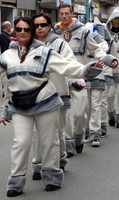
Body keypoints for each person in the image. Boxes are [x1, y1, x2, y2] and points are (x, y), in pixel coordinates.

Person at [0, 16, 105, 197]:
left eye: (27, 29)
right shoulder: (6, 56)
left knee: (49, 141)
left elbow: (67, 66)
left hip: (46, 102)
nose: (23, 32)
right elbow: (6, 85)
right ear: (15, 31)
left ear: (32, 32)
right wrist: (6, 110)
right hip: (20, 106)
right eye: (19, 29)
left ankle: (52, 176)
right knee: (21, 142)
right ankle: (16, 181)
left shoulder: (44, 52)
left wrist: (87, 69)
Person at [55, 3, 118, 148]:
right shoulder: (55, 33)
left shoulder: (83, 32)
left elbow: (97, 50)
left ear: (72, 14)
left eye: (66, 13)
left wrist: (108, 59)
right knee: (65, 114)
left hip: (79, 78)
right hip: (61, 79)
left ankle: (78, 135)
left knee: (79, 114)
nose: (64, 16)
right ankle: (68, 144)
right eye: (62, 14)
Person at [31, 12, 81, 180]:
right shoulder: (29, 44)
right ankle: (38, 165)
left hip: (58, 92)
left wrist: (74, 80)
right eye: (36, 25)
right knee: (38, 132)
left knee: (57, 132)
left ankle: (58, 160)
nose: (39, 28)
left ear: (49, 26)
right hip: (35, 94)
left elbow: (70, 63)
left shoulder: (59, 44)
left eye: (42, 25)